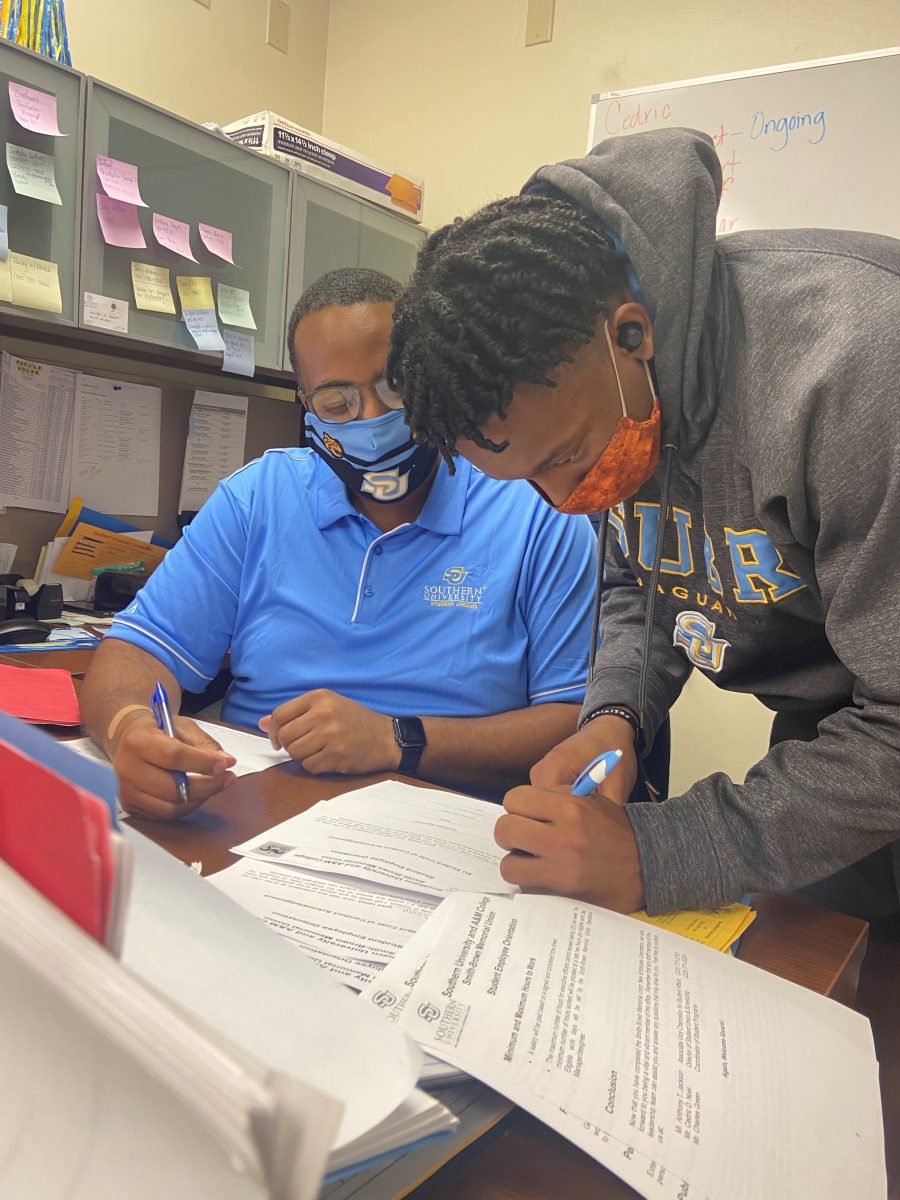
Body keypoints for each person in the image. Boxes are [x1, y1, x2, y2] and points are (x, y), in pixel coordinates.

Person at [387, 127, 900, 932]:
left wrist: (660, 850)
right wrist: (614, 716)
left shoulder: (855, 367)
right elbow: (644, 574)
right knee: (819, 965)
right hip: (843, 725)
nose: (570, 503)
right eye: (529, 481)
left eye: (567, 458)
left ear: (633, 333)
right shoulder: (612, 394)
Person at [79, 268, 598, 820]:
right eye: (337, 402)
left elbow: (573, 723)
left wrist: (397, 739)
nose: (372, 419)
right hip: (259, 818)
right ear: (306, 405)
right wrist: (129, 729)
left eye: (396, 386)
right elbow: (135, 651)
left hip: (447, 832)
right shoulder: (259, 498)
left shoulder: (537, 510)